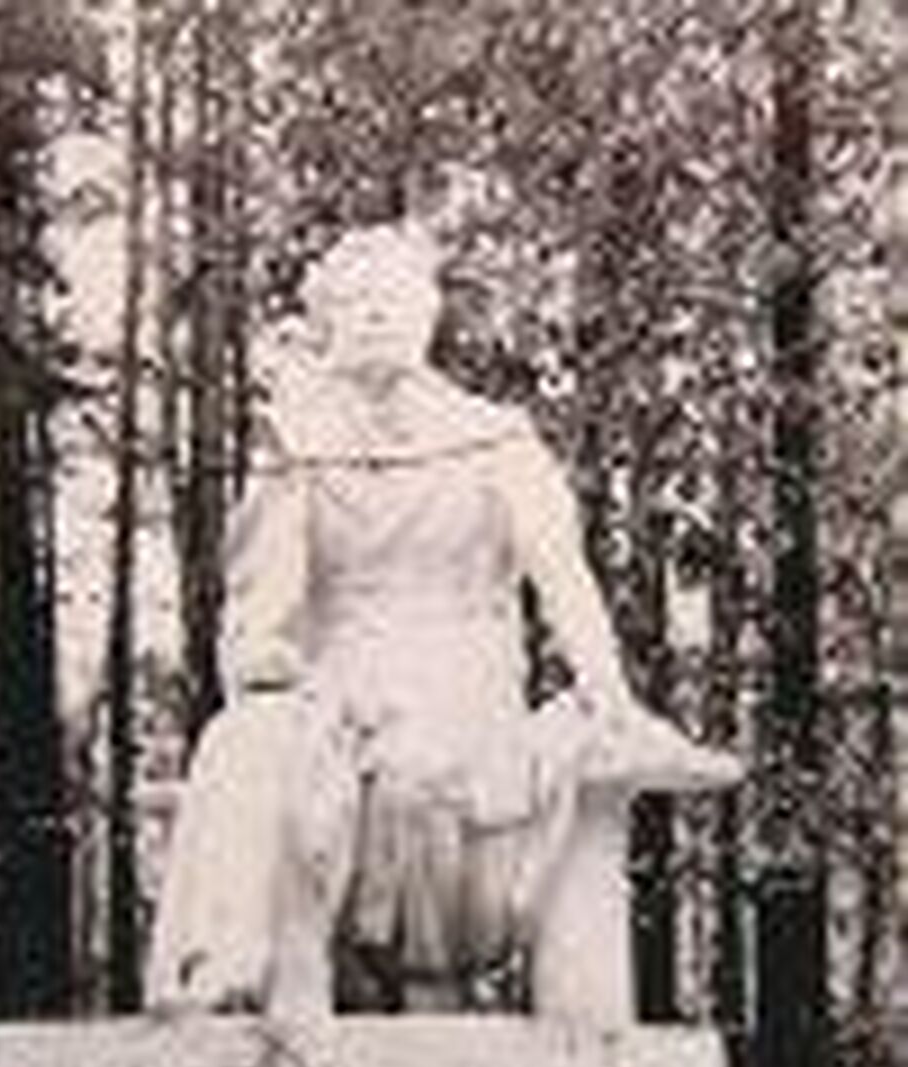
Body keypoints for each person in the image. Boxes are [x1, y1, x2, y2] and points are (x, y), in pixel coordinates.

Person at [146, 222, 727, 1021]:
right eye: (354, 301)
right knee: (244, 740)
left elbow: (564, 579)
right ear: (326, 327)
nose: (375, 314)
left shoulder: (495, 438)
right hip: (337, 680)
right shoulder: (297, 448)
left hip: (460, 674)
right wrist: (266, 665)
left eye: (392, 297)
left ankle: (342, 962)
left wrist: (611, 694)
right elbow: (260, 612)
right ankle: (237, 959)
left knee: (410, 766)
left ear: (427, 314)